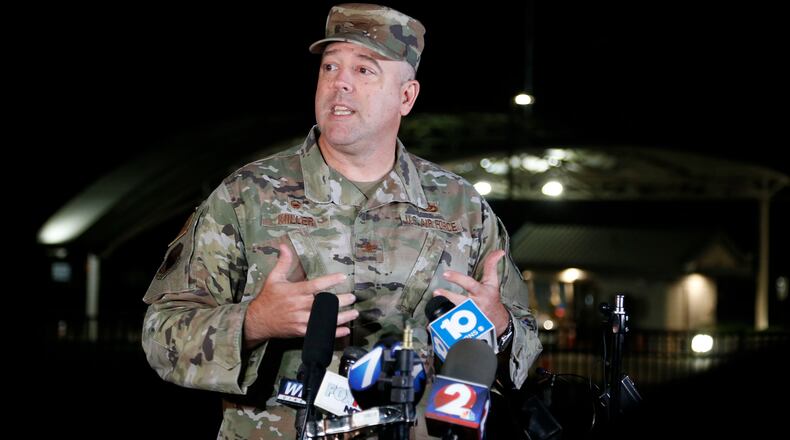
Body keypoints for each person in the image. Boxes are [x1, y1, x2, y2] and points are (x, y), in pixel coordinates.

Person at [142, 3, 542, 438]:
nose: (341, 83)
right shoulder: (247, 196)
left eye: (365, 70)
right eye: (330, 66)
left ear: (406, 96)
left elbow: (525, 346)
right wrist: (255, 322)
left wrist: (499, 326)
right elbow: (161, 337)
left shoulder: (461, 207)